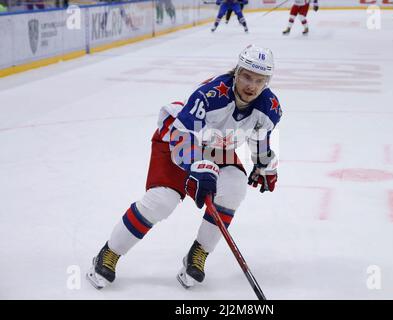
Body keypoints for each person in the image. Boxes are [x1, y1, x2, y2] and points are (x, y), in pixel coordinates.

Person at [87, 44, 282, 290]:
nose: (251, 85)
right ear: (236, 72)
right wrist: (196, 167)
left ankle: (197, 255)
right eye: (246, 76)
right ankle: (109, 253)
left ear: (267, 81)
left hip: (217, 146)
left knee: (234, 188)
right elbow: (183, 136)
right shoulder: (212, 94)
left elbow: (260, 136)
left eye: (259, 80)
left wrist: (264, 165)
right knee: (162, 201)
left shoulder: (270, 107)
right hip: (177, 139)